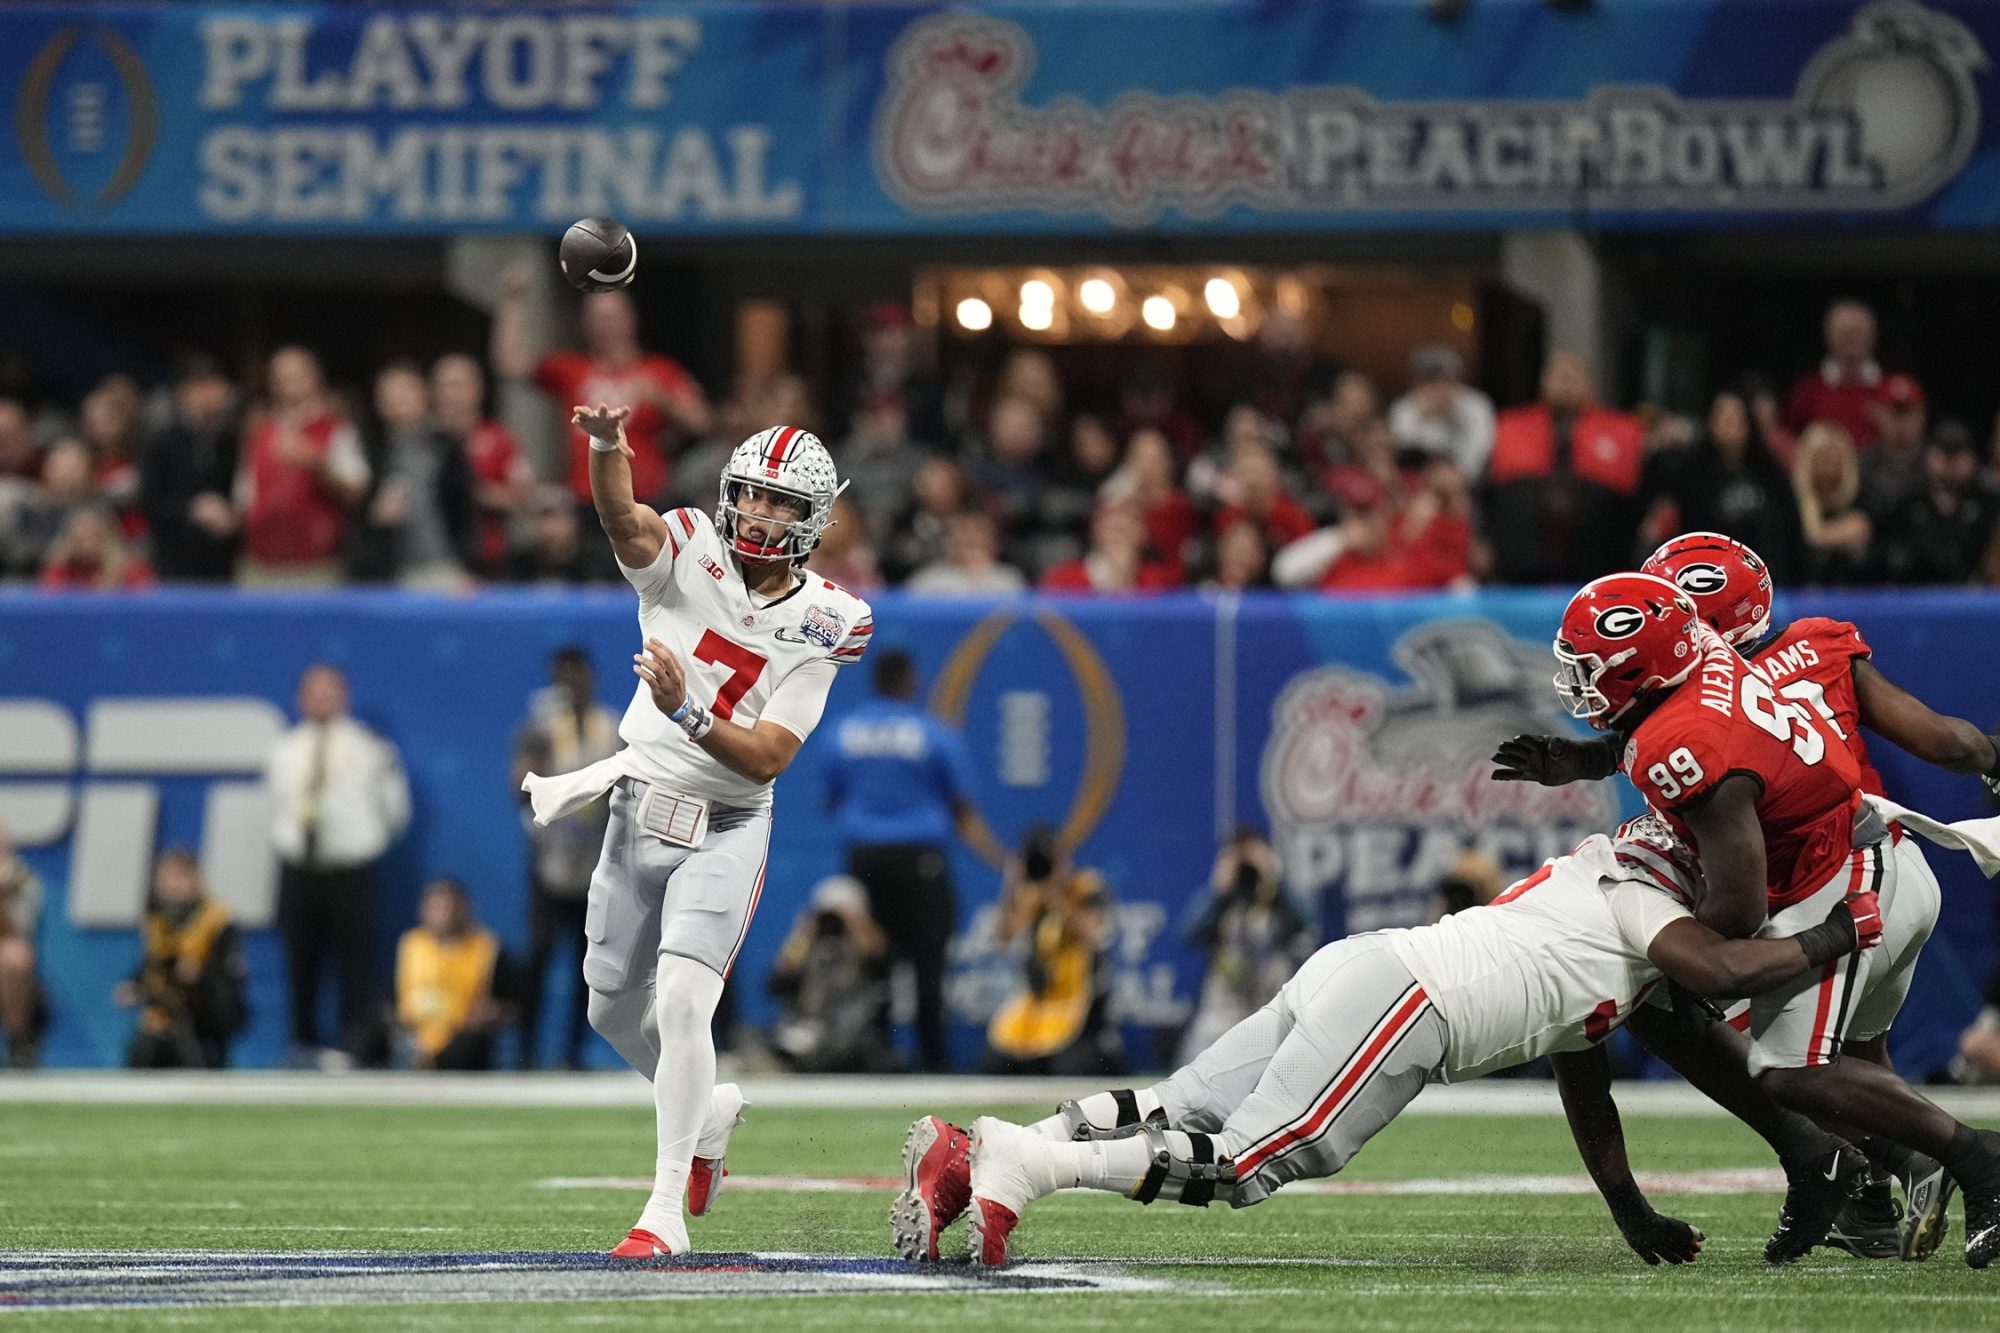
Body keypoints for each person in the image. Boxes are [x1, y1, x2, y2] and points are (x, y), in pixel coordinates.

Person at [889, 810, 1881, 1267]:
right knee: (1251, 1160)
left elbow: (1584, 1076)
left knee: (1177, 1106)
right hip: (1409, 1002)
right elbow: (1717, 970)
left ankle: (964, 1155)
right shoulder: (1640, 902)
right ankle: (1024, 1165)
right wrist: (1838, 932)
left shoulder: (1597, 886)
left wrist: (1627, 1206)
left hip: (1367, 966)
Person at [1500, 533, 2000, 1258]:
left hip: (1842, 880)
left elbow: (1738, 904)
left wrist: (1686, 937)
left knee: (1774, 1057)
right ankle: (1870, 1194)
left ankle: (1969, 1164)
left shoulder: (1692, 730)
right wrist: (1992, 754)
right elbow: (1943, 741)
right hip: (1879, 850)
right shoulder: (1793, 653)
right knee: (1852, 1058)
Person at [518, 406, 869, 1258]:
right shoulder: (685, 549)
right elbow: (619, 516)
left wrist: (686, 705)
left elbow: (766, 758)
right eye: (749, 494)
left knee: (681, 1000)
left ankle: (663, 1212)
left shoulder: (832, 618)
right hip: (641, 805)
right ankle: (707, 1111)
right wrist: (608, 447)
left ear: (813, 521)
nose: (758, 514)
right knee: (610, 1007)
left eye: (781, 504)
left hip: (729, 821)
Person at [824, 649, 976, 1072]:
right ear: (909, 681)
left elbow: (833, 798)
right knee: (929, 961)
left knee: (873, 961)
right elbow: (961, 801)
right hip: (920, 858)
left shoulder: (843, 733)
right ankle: (935, 1059)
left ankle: (875, 1056)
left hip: (866, 857)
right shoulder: (933, 734)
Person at [264, 663, 410, 1067]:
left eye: (331, 691)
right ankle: (301, 1043)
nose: (323, 699)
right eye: (315, 691)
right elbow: (275, 807)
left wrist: (366, 844)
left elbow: (394, 810)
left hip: (350, 868)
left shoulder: (369, 748)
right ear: (301, 698)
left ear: (344, 696)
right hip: (299, 868)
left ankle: (355, 1046)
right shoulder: (285, 750)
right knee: (300, 961)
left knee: (356, 962)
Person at [491, 270, 710, 507]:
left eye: (611, 317)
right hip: (589, 499)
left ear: (630, 319)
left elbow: (702, 422)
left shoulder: (660, 371)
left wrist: (663, 400)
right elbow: (511, 363)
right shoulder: (572, 370)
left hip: (646, 497)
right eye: (596, 318)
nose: (604, 326)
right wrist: (513, 301)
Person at [512, 647, 620, 1070]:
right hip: (551, 855)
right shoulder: (540, 727)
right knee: (539, 953)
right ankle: (526, 1049)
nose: (573, 686)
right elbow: (518, 786)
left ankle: (572, 1051)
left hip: (597, 856)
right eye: (564, 678)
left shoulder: (610, 725)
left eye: (579, 676)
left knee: (586, 959)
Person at [1483, 350, 1645, 585]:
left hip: (1598, 565)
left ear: (1589, 383)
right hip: (1522, 567)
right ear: (1543, 382)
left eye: (1573, 376)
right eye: (1558, 376)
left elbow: (1636, 499)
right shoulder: (1510, 425)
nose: (1565, 383)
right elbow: (1489, 494)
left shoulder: (1623, 429)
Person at [980, 828, 1122, 1078]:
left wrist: (1058, 895)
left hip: (1081, 1006)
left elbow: (1096, 933)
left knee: (1066, 1067)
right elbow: (1003, 938)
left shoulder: (1084, 887)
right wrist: (1012, 883)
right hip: (1039, 1004)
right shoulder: (1029, 894)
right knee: (995, 1063)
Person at [235, 346, 370, 588]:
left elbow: (356, 492)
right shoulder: (258, 431)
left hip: (317, 567)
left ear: (314, 378)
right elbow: (245, 499)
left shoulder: (336, 428)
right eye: (280, 378)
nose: (288, 384)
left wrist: (316, 464)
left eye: (296, 376)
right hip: (262, 565)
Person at [1177, 829, 1310, 1065]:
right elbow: (1189, 934)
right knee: (1187, 1079)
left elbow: (1307, 922)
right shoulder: (1223, 902)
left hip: (1274, 1012)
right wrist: (1218, 891)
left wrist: (1272, 881)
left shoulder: (1279, 901)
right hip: (1219, 1017)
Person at [116, 849, 248, 1069]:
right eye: (167, 878)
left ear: (195, 881)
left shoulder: (217, 921)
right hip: (166, 1012)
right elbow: (152, 966)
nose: (173, 886)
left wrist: (200, 975)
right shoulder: (158, 922)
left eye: (180, 877)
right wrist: (136, 985)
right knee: (144, 1042)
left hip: (205, 1018)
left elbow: (229, 978)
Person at [351, 361, 477, 590]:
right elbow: (354, 511)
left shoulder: (446, 447)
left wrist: (467, 564)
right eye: (388, 395)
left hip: (445, 567)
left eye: (404, 392)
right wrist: (375, 516)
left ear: (423, 395)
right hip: (391, 572)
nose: (397, 401)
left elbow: (464, 507)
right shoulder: (370, 450)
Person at [1655, 391, 1803, 583]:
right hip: (1707, 577)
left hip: (1768, 578)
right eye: (1723, 418)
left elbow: (1791, 530)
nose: (1730, 425)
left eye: (1736, 418)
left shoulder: (1770, 472)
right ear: (1711, 423)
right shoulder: (1690, 473)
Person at [766, 875, 896, 1074]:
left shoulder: (863, 944)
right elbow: (777, 983)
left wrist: (856, 924)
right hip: (810, 1031)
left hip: (853, 1035)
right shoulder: (806, 945)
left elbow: (881, 960)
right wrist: (802, 936)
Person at [139, 355, 240, 582]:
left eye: (220, 385)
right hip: (174, 564)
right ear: (187, 391)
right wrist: (193, 508)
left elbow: (242, 491)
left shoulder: (231, 441)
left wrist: (232, 515)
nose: (217, 393)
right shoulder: (162, 441)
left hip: (222, 564)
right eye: (207, 385)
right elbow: (150, 499)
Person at [393, 879, 512, 1071]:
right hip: (414, 1031)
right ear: (423, 910)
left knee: (465, 1045)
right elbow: (393, 999)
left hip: (462, 1033)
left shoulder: (487, 948)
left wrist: (491, 1012)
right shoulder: (412, 944)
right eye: (437, 908)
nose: (445, 915)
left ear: (466, 909)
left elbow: (511, 1007)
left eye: (451, 907)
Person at [431, 353, 533, 577]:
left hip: (488, 559)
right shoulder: (423, 443)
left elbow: (523, 497)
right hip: (433, 561)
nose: (451, 395)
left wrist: (473, 494)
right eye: (443, 386)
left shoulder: (500, 439)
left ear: (479, 388)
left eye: (458, 385)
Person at [1876, 422, 2000, 586]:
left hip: (1975, 597)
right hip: (1914, 597)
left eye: (1958, 452)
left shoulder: (1989, 502)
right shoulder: (1908, 500)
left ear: (1972, 457)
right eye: (1943, 452)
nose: (1950, 462)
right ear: (1929, 455)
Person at [1786, 299, 1897, 445]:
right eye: (1844, 333)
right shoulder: (1807, 392)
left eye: (1858, 332)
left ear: (1873, 336)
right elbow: (1790, 441)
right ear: (1829, 336)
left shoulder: (1894, 390)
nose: (1852, 340)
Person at [1388, 343, 1495, 476]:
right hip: (1419, 482)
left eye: (1443, 379)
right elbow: (1402, 451)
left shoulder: (1476, 404)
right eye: (1429, 380)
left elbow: (1480, 452)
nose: (1436, 387)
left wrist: (1455, 414)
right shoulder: (1404, 407)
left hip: (1468, 482)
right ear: (1416, 382)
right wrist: (1421, 418)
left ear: (1456, 379)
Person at [1790, 420, 1874, 584]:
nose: (1828, 467)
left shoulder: (1860, 494)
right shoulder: (1788, 500)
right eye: (1822, 458)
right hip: (1801, 594)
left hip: (1853, 592)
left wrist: (1816, 535)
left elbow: (1861, 528)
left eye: (1834, 458)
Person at [1039, 500, 1180, 594]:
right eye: (1111, 517)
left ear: (1144, 533)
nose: (1119, 525)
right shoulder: (1063, 579)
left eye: (1130, 517)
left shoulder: (1160, 582)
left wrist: (1126, 580)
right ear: (1095, 529)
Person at [501, 485, 614, 584]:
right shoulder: (521, 564)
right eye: (542, 518)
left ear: (572, 522)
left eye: (555, 517)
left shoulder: (598, 561)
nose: (548, 527)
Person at [0, 827, 46, 1069]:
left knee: (14, 956)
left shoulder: (23, 880)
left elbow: (19, 930)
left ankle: (18, 1041)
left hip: (8, 962)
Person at [905, 511, 1028, 597]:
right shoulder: (929, 580)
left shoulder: (1008, 580)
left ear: (993, 544)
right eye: (964, 539)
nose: (970, 538)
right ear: (951, 543)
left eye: (976, 541)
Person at [38, 506, 154, 591]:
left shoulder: (132, 570)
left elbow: (146, 603)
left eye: (93, 535)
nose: (87, 544)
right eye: (80, 537)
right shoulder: (59, 569)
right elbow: (50, 598)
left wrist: (111, 584)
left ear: (108, 537)